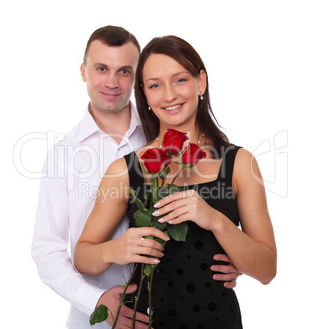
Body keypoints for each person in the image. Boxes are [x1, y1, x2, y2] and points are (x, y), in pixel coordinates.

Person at [32, 27, 241, 329]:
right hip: (94, 316)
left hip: (178, 309)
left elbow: (215, 206)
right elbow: (48, 250)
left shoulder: (170, 135)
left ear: (138, 80)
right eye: (101, 69)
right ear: (83, 71)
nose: (112, 82)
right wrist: (96, 300)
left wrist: (234, 257)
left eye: (125, 71)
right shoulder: (62, 155)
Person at [74, 35, 277, 328]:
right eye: (155, 85)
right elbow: (82, 255)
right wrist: (113, 249)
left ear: (201, 82)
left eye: (180, 80)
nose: (169, 95)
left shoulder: (239, 164)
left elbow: (267, 270)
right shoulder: (125, 169)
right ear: (143, 94)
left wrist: (215, 220)